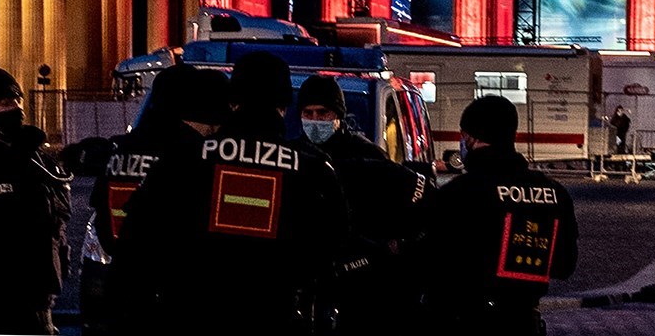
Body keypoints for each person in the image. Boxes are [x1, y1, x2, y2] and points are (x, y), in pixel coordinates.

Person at [116, 51, 346, 335]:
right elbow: (330, 254)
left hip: (191, 317)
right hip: (275, 319)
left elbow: (135, 244)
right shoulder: (312, 169)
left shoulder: (183, 160)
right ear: (284, 106)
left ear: (232, 102)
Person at [421, 95, 578, 335]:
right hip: (523, 320)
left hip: (465, 319)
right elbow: (564, 265)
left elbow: (430, 260)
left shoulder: (458, 193)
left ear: (471, 138)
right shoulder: (554, 193)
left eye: (463, 136)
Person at [98, 65, 229, 335]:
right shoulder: (186, 152)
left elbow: (102, 218)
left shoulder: (121, 149)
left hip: (121, 282)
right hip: (166, 294)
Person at [296, 74, 431, 334]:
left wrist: (386, 246)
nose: (314, 120)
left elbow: (405, 207)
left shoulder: (366, 154)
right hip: (309, 278)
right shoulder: (295, 153)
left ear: (338, 114)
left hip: (359, 281)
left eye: (322, 113)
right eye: (308, 112)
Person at [0, 68, 72, 335]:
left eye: (17, 102)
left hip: (37, 298)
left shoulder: (31, 154)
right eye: (4, 103)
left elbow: (57, 214)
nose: (16, 109)